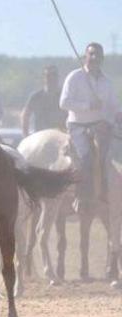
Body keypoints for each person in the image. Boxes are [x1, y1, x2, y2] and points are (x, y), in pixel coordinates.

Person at [59, 42, 119, 209]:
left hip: (100, 125)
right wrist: (88, 105)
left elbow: (114, 105)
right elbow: (63, 103)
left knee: (110, 156)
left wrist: (118, 115)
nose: (94, 58)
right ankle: (82, 196)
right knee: (86, 156)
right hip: (78, 125)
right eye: (91, 54)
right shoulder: (75, 77)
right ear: (85, 56)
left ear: (102, 58)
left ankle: (106, 192)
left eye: (97, 55)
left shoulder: (107, 82)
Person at [21, 65, 65, 136]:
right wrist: (26, 134)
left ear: (57, 77)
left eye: (53, 75)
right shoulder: (35, 97)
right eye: (48, 75)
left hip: (60, 135)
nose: (51, 78)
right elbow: (25, 115)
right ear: (44, 78)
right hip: (40, 135)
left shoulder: (65, 96)